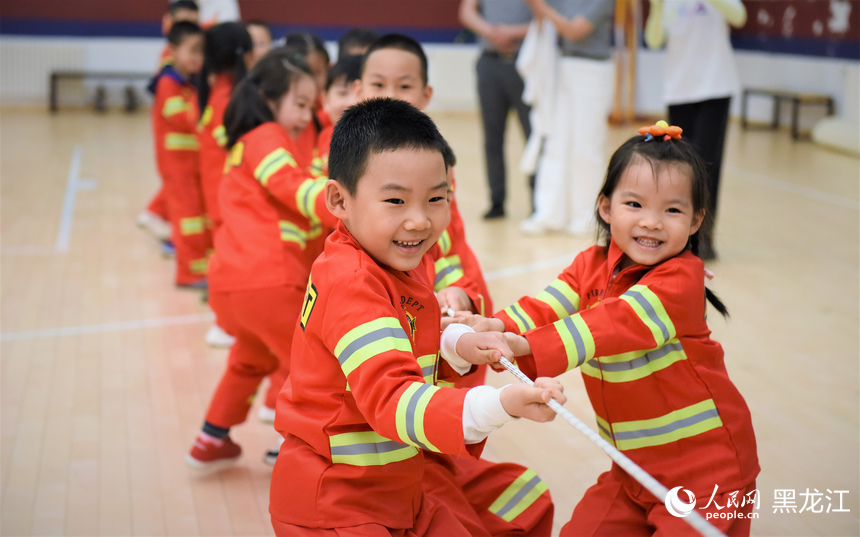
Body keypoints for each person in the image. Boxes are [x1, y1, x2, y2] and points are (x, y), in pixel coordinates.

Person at [269, 97, 564, 536]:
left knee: (523, 499)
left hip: (394, 489)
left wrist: (458, 346)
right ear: (339, 199)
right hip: (338, 507)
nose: (419, 221)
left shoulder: (395, 261)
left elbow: (403, 340)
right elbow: (393, 397)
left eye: (436, 200)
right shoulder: (352, 281)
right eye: (395, 200)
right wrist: (498, 405)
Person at [454, 122, 760, 536]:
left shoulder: (682, 280)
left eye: (672, 210)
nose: (652, 222)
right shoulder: (590, 264)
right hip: (632, 469)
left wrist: (523, 345)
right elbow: (544, 307)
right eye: (634, 204)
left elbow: (608, 326)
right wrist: (494, 326)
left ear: (695, 221)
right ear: (605, 207)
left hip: (708, 474)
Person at [185, 49, 336, 471]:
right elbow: (289, 185)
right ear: (270, 98)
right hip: (268, 278)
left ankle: (211, 439)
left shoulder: (244, 143)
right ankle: (287, 448)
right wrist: (342, 202)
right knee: (308, 362)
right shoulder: (267, 137)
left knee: (250, 359)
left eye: (312, 106)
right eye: (301, 104)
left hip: (231, 285)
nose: (308, 116)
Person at [357, 33, 494, 322]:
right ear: (359, 90)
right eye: (378, 84)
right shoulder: (348, 154)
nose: (390, 95)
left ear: (426, 94)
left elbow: (445, 240)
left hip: (446, 287)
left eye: (404, 85)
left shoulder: (436, 162)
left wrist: (458, 290)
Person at [645, 0, 747, 261]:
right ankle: (681, 237)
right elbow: (653, 40)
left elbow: (739, 17)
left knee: (707, 166)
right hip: (679, 91)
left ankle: (704, 240)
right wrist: (656, 7)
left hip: (714, 87)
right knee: (680, 167)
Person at [518, 0, 615, 236]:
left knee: (585, 148)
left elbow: (575, 30)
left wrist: (541, 8)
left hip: (592, 71)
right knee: (555, 143)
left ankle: (586, 216)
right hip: (562, 66)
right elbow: (545, 26)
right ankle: (549, 214)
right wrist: (540, 11)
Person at [148, 21, 210, 287]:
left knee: (196, 217)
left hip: (190, 164)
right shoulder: (168, 83)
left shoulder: (189, 84)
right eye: (192, 51)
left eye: (201, 51)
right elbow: (182, 117)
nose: (198, 58)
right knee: (187, 220)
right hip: (176, 166)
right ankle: (188, 274)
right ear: (172, 50)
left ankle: (199, 267)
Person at [458, 0, 532, 219]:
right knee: (492, 137)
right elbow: (467, 11)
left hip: (526, 63)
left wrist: (512, 33)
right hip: (490, 62)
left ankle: (539, 202)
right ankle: (496, 200)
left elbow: (546, 17)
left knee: (533, 137)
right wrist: (491, 32)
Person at [138, 0, 200, 244]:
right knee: (179, 193)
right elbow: (176, 112)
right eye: (182, 22)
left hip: (186, 147)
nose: (189, 26)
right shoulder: (170, 68)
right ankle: (155, 217)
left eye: (193, 22)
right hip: (173, 144)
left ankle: (161, 222)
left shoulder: (190, 60)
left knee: (184, 193)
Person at [314, 54, 363, 175]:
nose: (352, 102)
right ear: (325, 100)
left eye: (360, 93)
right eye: (342, 93)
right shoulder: (323, 137)